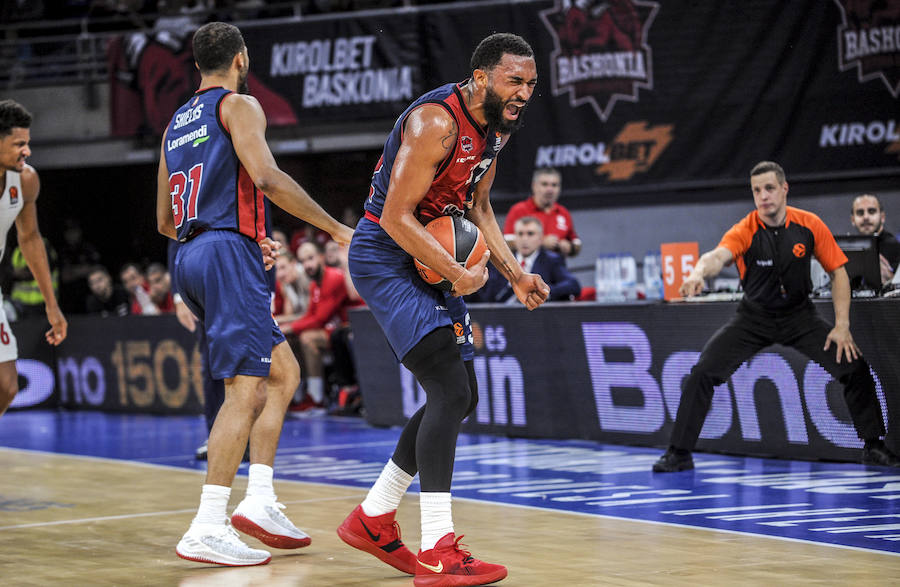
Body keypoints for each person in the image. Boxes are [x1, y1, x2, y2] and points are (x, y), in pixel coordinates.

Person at [336, 33, 549, 586]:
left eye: (531, 83)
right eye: (514, 81)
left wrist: (516, 273)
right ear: (481, 78)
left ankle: (375, 517)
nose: (525, 92)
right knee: (450, 390)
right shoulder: (437, 122)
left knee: (460, 395)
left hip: (430, 254)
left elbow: (477, 206)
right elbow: (396, 217)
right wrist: (456, 272)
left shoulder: (496, 130)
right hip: (387, 253)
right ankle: (437, 551)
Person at [156, 22, 353, 566]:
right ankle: (208, 524)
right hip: (223, 255)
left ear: (196, 64)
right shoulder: (239, 105)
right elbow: (266, 177)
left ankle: (260, 500)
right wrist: (337, 230)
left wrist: (235, 234)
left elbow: (165, 220)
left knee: (283, 372)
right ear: (241, 59)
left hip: (191, 255)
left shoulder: (174, 124)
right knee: (244, 389)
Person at [653, 161, 899, 473]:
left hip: (800, 316)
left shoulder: (808, 224)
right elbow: (716, 257)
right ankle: (679, 453)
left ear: (784, 189)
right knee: (701, 373)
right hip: (753, 318)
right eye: (757, 191)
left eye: (769, 188)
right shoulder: (745, 229)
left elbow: (838, 273)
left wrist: (842, 326)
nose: (763, 196)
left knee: (854, 366)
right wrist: (698, 273)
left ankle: (873, 446)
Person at [0, 99, 67, 417]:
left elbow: (29, 239)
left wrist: (51, 306)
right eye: (18, 144)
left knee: (7, 386)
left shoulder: (25, 180)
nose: (27, 151)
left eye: (27, 143)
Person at [280, 241, 362, 410]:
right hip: (337, 329)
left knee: (308, 338)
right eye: (303, 260)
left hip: (354, 328)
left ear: (321, 257)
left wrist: (289, 326)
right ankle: (299, 394)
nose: (307, 265)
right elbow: (310, 315)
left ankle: (316, 398)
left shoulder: (333, 278)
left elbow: (319, 319)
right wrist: (288, 326)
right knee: (290, 339)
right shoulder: (314, 284)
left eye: (310, 258)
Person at [473, 215, 580, 303]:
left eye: (530, 234)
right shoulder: (500, 260)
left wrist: (542, 291)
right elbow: (486, 294)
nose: (525, 239)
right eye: (520, 234)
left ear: (541, 238)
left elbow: (573, 285)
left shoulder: (552, 260)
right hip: (500, 318)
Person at [503, 167, 581, 258]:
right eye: (544, 184)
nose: (550, 189)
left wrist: (570, 247)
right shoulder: (519, 210)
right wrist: (540, 242)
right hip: (526, 269)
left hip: (556, 270)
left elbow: (576, 243)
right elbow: (506, 242)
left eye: (554, 185)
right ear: (534, 186)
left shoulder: (563, 213)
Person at [850, 194, 900, 286]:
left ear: (882, 217)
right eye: (860, 213)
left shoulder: (896, 247)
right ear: (853, 220)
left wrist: (891, 279)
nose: (866, 217)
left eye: (871, 211)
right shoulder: (849, 250)